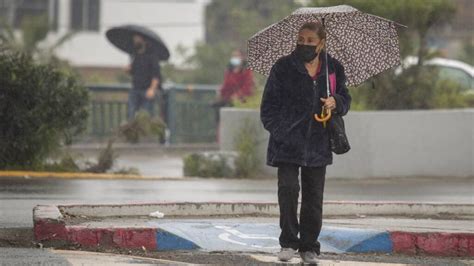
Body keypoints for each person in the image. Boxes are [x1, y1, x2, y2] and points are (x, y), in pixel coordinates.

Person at [260, 22, 351, 264]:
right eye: (301, 39)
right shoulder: (283, 67)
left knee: (313, 198)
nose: (304, 44)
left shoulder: (333, 69)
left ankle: (309, 246)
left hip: (319, 143)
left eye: (310, 40)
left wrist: (336, 102)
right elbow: (268, 108)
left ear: (321, 43)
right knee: (288, 191)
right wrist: (282, 132)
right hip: (287, 144)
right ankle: (288, 242)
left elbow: (345, 99)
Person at [127, 34, 162, 120]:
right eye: (134, 39)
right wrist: (128, 70)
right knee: (131, 114)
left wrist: (152, 89)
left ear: (144, 41)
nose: (135, 41)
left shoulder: (152, 56)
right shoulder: (135, 56)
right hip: (135, 89)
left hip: (147, 91)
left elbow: (156, 75)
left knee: (145, 116)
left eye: (137, 39)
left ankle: (145, 132)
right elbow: (134, 72)